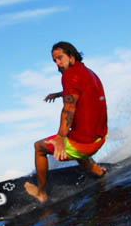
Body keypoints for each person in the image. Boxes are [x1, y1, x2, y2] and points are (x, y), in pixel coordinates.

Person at [24, 41, 108, 203]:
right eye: (54, 60)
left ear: (71, 56)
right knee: (74, 134)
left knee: (39, 147)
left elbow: (69, 108)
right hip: (100, 137)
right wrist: (58, 94)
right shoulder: (88, 72)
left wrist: (60, 138)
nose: (57, 63)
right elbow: (80, 91)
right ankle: (99, 172)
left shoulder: (69, 76)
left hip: (85, 144)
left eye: (60, 58)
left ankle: (41, 193)